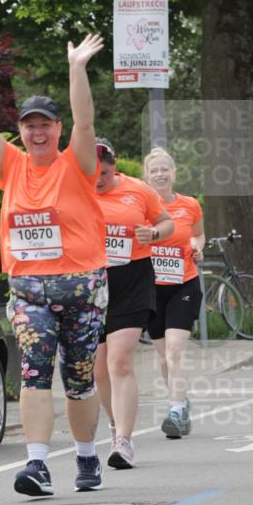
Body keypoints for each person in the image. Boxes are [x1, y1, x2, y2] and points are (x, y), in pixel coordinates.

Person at [0, 32, 108, 496]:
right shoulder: (10, 165)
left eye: (45, 126)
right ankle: (36, 465)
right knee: (34, 372)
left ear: (57, 130)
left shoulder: (76, 163)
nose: (37, 133)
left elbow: (87, 121)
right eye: (29, 126)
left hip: (82, 288)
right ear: (20, 131)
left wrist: (77, 68)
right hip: (31, 288)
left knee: (79, 379)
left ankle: (87, 455)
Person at [93, 138, 174, 469]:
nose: (99, 177)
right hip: (89, 282)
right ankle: (114, 424)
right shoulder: (72, 189)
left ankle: (124, 442)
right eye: (93, 171)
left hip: (132, 279)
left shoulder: (138, 190)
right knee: (98, 369)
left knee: (120, 360)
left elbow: (166, 222)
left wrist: (153, 235)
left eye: (106, 171)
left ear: (115, 165)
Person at [143, 146, 205, 438]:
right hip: (152, 289)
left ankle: (176, 408)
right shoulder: (141, 208)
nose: (160, 174)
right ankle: (180, 399)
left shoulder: (190, 205)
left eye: (164, 169)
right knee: (162, 355)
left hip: (184, 284)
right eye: (154, 170)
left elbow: (198, 233)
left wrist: (197, 247)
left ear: (173, 173)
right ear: (147, 175)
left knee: (175, 349)